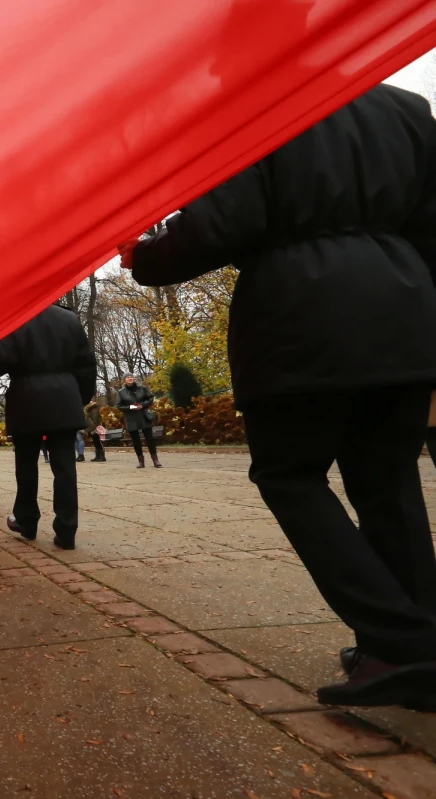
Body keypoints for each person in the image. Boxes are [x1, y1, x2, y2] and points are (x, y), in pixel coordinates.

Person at [122, 83, 436, 711]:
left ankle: (403, 642)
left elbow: (228, 219)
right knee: (388, 480)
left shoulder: (255, 102)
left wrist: (147, 256)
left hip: (301, 316)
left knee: (289, 474)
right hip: (405, 310)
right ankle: (414, 646)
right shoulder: (406, 109)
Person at [0, 305, 96, 549]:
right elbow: (86, 363)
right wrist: (78, 398)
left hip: (26, 400)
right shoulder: (69, 319)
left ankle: (26, 520)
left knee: (26, 465)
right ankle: (67, 530)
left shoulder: (15, 317)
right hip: (64, 398)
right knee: (65, 467)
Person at [116, 375, 161, 468]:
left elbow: (150, 398)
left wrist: (142, 405)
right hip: (131, 417)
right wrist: (131, 407)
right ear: (124, 380)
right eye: (127, 377)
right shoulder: (121, 392)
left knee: (150, 439)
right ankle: (141, 461)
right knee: (136, 441)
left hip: (143, 415)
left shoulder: (142, 388)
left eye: (131, 377)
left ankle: (155, 460)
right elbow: (119, 405)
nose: (130, 378)